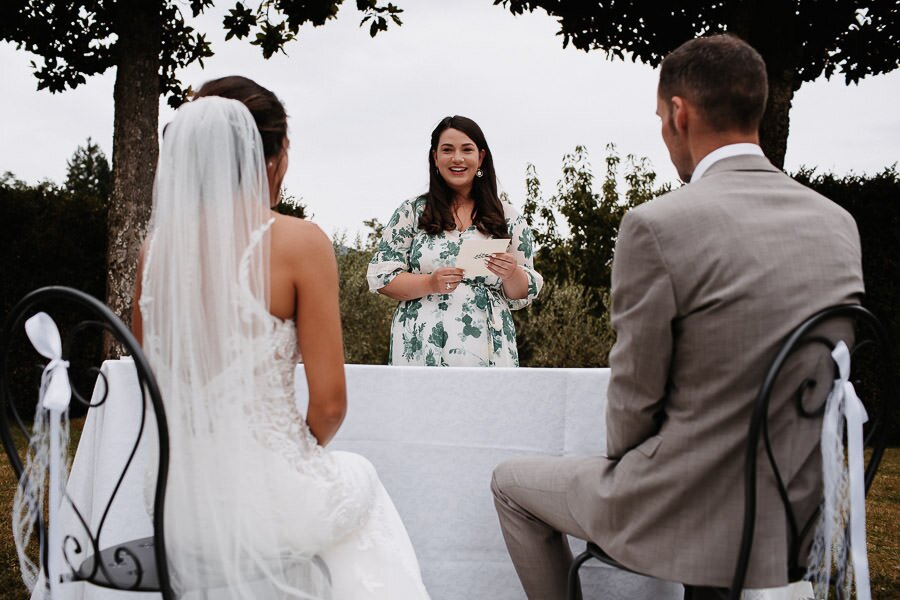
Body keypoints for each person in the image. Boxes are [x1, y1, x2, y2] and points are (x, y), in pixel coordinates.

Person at [491, 34, 864, 598]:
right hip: (798, 512)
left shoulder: (658, 224)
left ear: (679, 114)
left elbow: (634, 403)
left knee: (509, 483)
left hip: (687, 510)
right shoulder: (838, 223)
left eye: (660, 119)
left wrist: (626, 460)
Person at [132, 76, 430, 599]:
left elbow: (154, 385)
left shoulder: (153, 254)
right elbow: (330, 406)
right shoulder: (299, 242)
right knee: (362, 483)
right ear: (269, 158)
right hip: (264, 502)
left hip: (178, 503)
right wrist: (280, 461)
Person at [366, 115, 542, 367]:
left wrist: (511, 273)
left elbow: (523, 293)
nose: (457, 158)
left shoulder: (509, 218)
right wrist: (429, 282)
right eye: (447, 150)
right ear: (435, 158)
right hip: (419, 347)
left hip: (488, 347)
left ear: (480, 157)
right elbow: (381, 278)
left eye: (466, 149)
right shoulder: (411, 212)